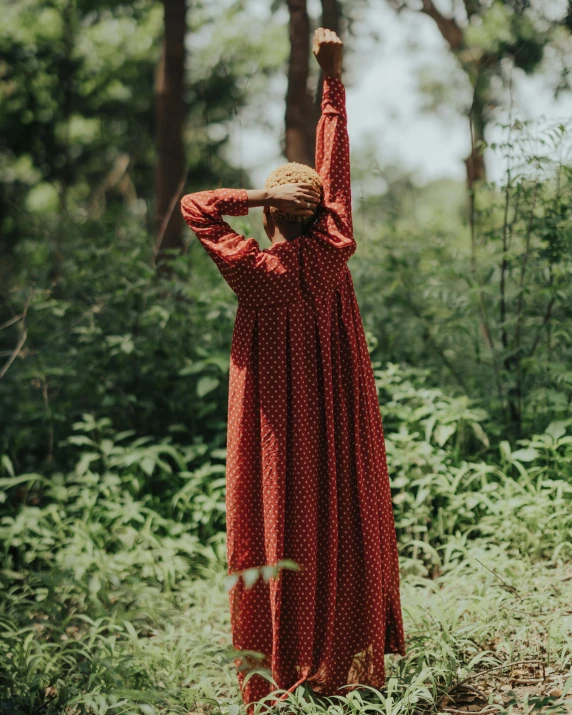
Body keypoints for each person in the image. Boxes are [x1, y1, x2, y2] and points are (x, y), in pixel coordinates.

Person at [181, 27, 405, 714]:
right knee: (339, 517)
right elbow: (334, 177)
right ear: (317, 217)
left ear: (276, 215)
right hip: (335, 415)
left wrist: (257, 195)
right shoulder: (332, 254)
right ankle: (343, 664)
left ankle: (281, 671)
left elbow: (196, 207)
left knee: (279, 525)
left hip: (274, 432)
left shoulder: (252, 271)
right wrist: (331, 83)